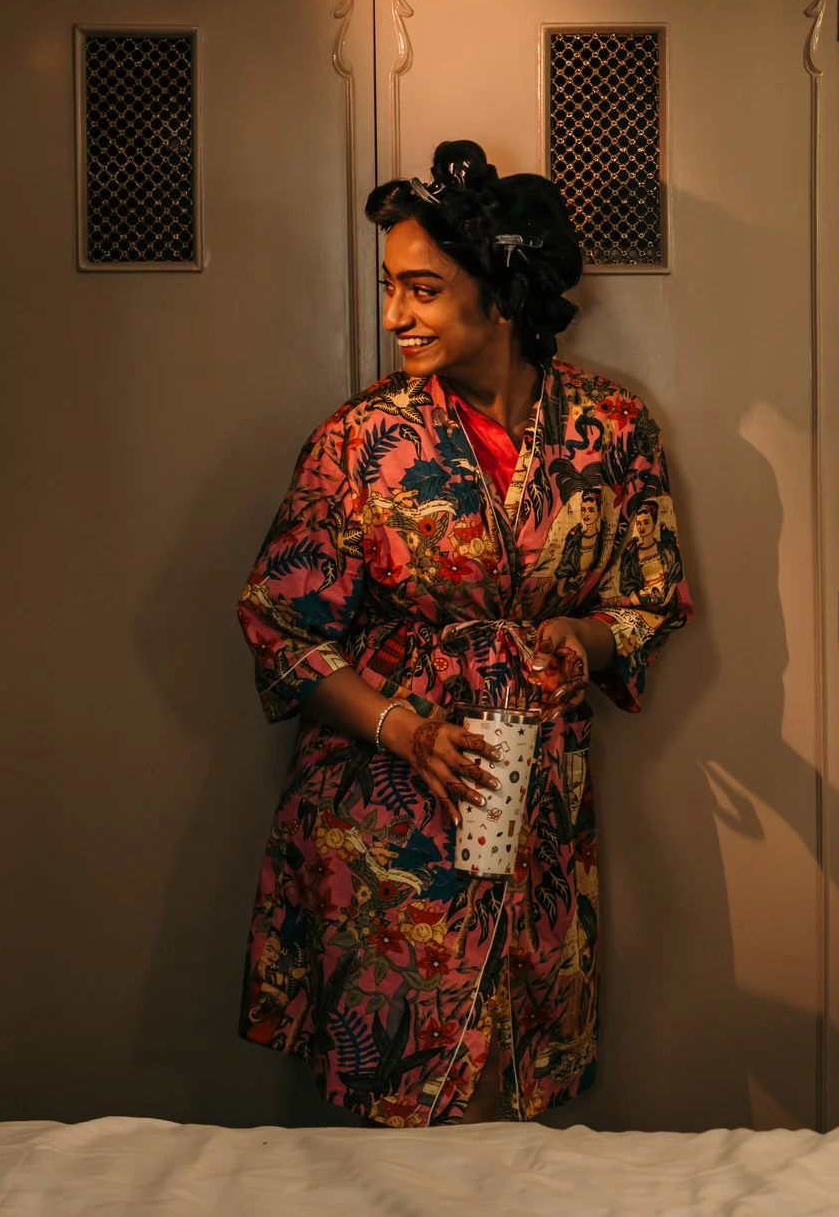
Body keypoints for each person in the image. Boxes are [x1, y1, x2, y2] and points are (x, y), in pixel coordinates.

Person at [237, 139, 692, 1126]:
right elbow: (281, 624)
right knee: (401, 1103)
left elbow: (650, 598)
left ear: (502, 292)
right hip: (385, 813)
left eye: (424, 289)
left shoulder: (612, 428)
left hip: (536, 806)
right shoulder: (360, 440)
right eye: (390, 288)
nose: (394, 315)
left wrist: (579, 638)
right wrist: (405, 730)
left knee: (510, 1099)